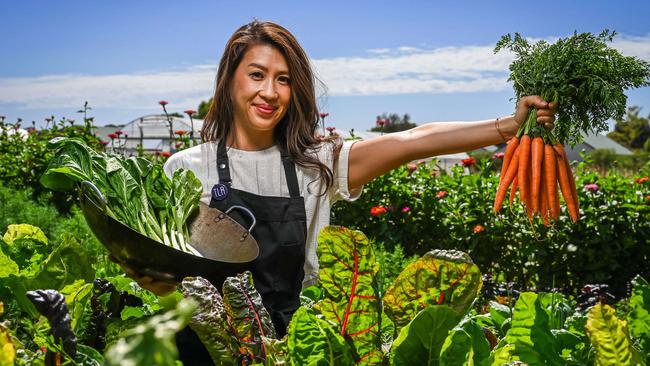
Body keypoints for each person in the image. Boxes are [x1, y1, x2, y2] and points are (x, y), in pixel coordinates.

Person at [116, 19, 556, 363]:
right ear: (230, 80)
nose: (270, 91)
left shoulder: (317, 165)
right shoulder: (187, 169)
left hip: (293, 346)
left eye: (284, 79)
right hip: (203, 347)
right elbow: (173, 274)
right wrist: (159, 286)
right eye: (257, 75)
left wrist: (509, 125)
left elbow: (412, 141)